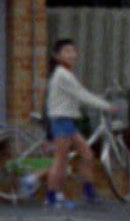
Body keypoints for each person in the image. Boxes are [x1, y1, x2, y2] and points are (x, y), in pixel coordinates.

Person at [43, 39, 118, 208]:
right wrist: (107, 106)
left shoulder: (65, 73)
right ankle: (51, 198)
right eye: (67, 51)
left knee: (86, 154)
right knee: (61, 160)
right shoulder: (62, 75)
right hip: (62, 120)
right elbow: (82, 95)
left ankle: (89, 193)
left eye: (74, 51)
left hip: (67, 120)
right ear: (57, 56)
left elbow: (80, 93)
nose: (72, 55)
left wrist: (102, 102)